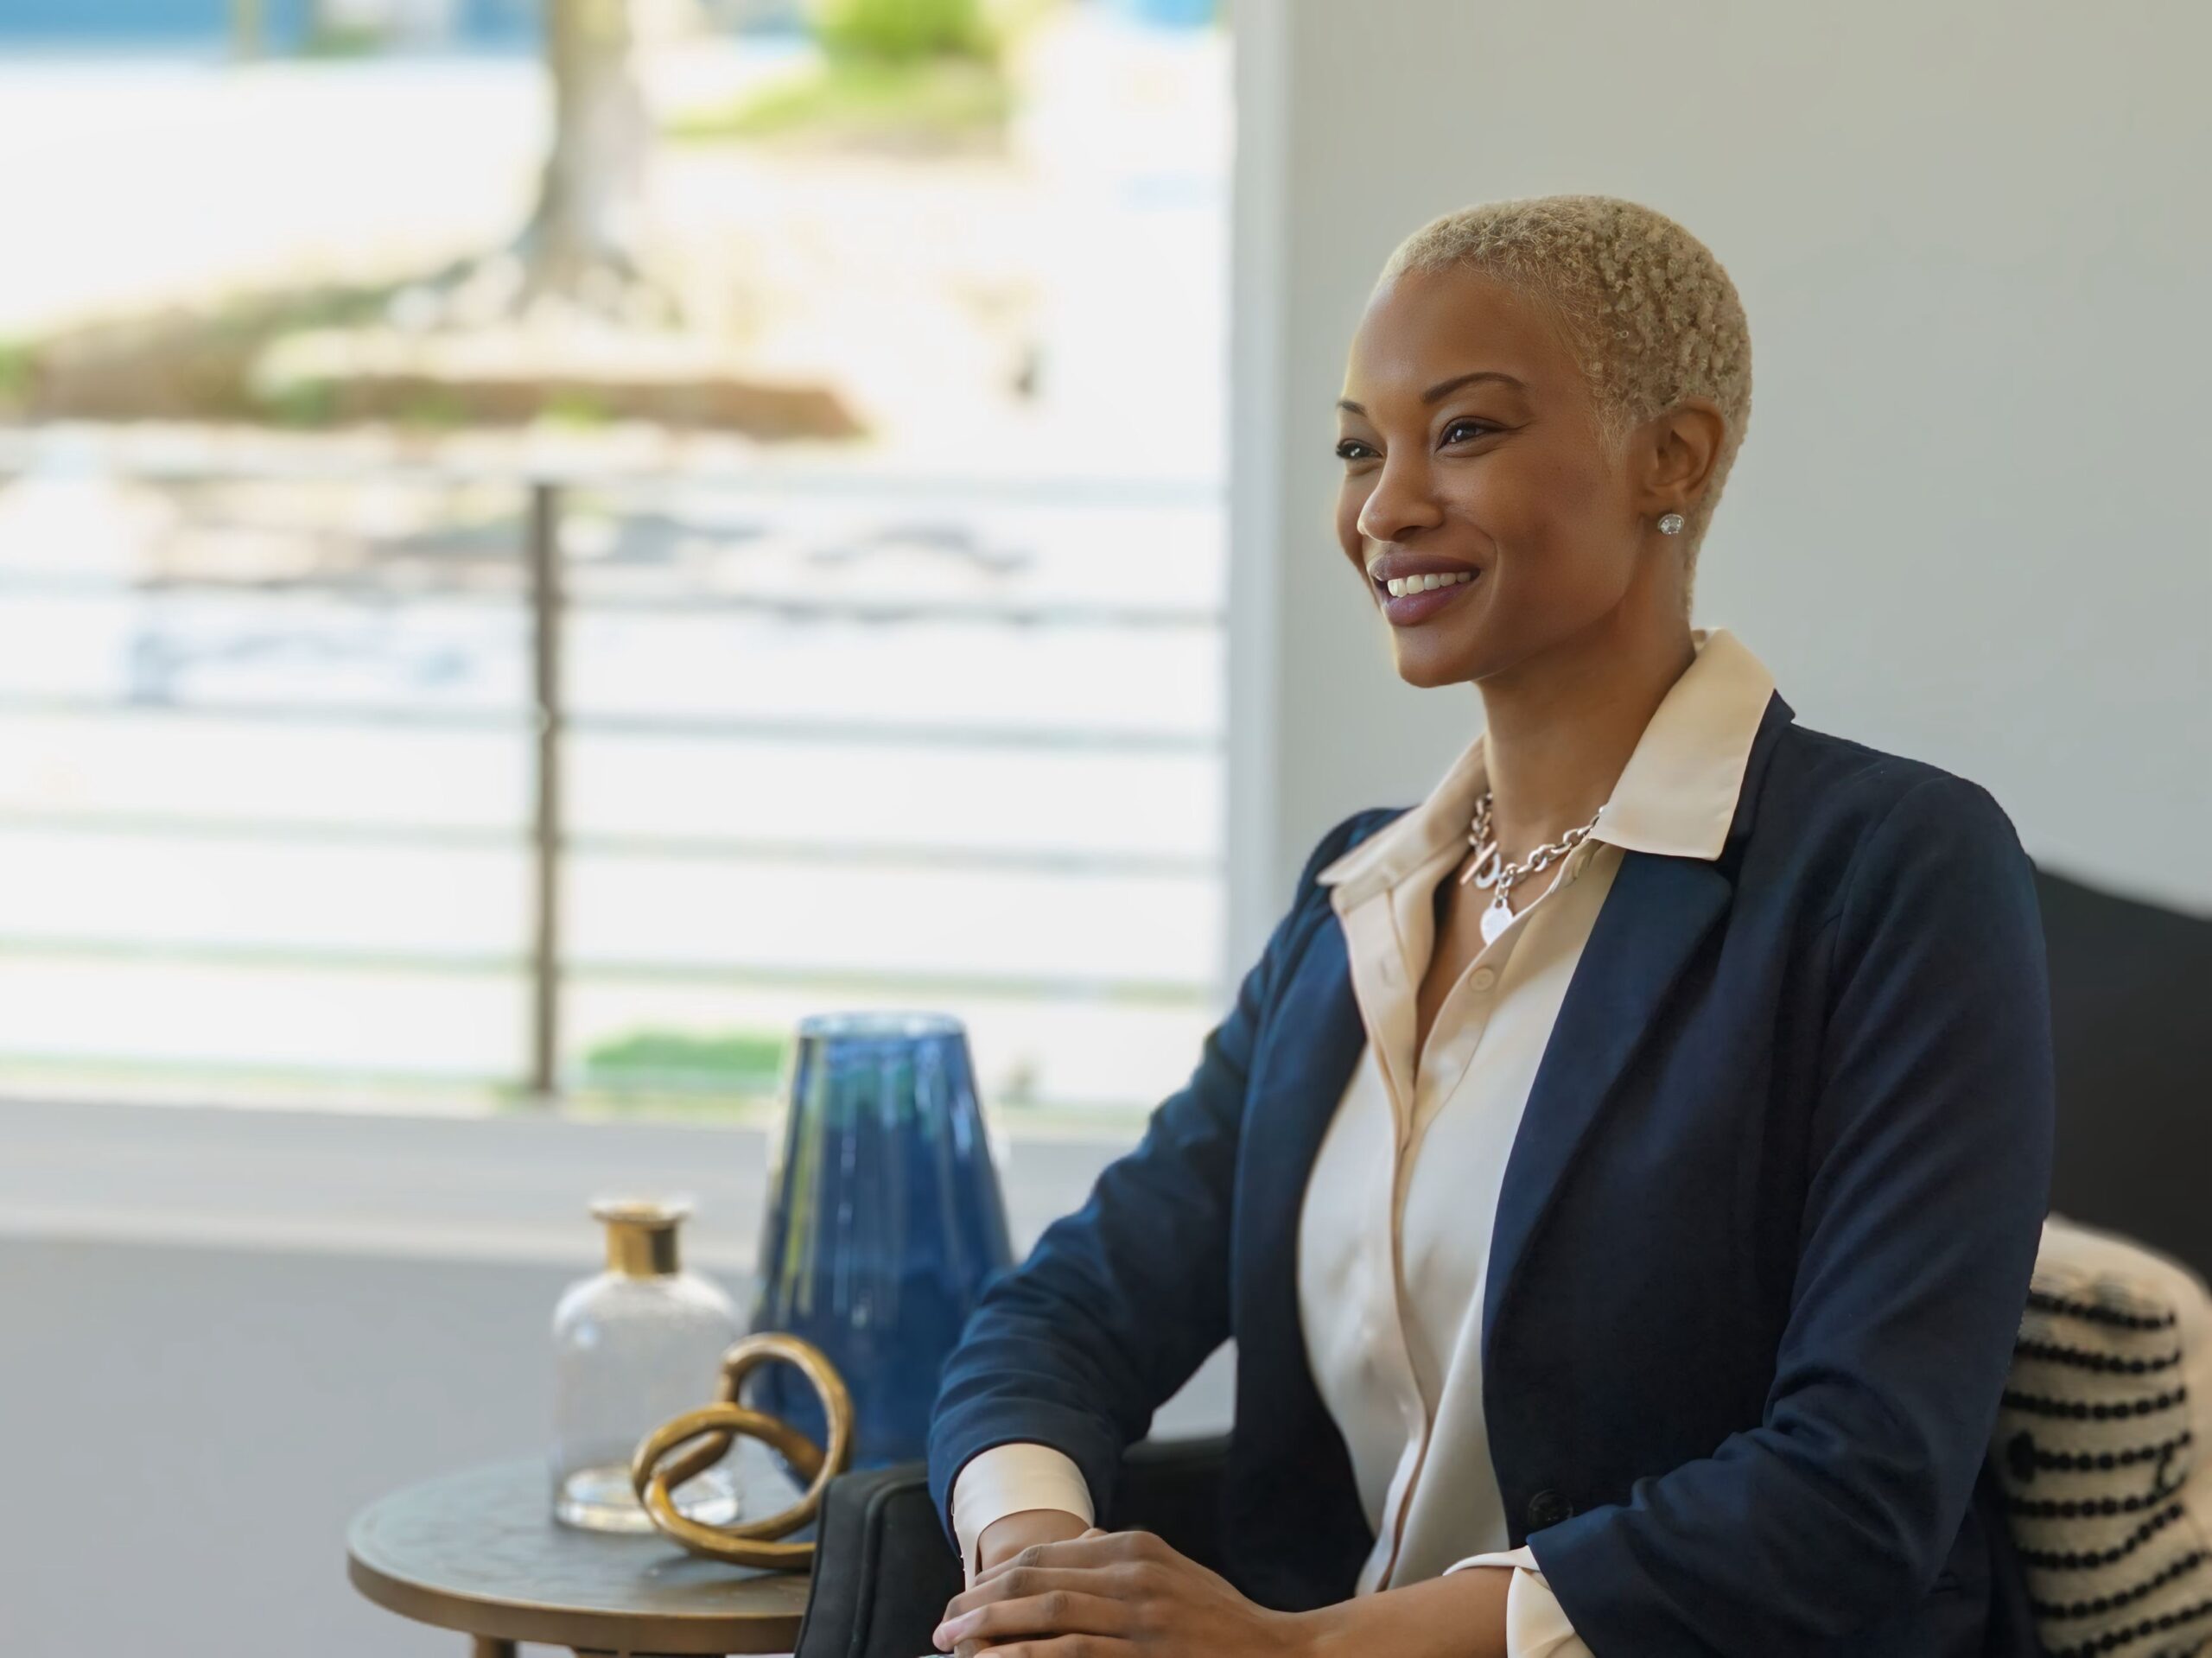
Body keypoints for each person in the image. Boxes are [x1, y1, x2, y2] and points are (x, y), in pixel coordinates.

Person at [923, 194, 2055, 1657]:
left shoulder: (1890, 871)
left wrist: (1308, 1649)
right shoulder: (1362, 894)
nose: (1386, 506)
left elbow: (1860, 1488)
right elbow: (1066, 1312)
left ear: (1675, 456)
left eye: (1462, 433)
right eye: (1357, 446)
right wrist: (1040, 1569)